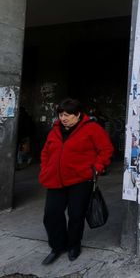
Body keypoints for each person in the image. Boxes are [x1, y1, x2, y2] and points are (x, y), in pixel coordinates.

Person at [39, 98, 113, 265]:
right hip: (55, 180)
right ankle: (57, 247)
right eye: (60, 114)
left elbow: (106, 149)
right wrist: (45, 168)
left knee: (76, 215)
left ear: (78, 115)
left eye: (67, 115)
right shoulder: (55, 131)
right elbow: (46, 152)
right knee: (51, 215)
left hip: (80, 180)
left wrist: (97, 168)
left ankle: (74, 246)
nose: (63, 118)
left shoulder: (92, 128)